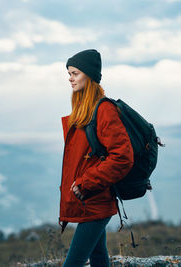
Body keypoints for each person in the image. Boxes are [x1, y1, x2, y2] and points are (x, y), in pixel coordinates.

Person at [59, 49, 134, 267]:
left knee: (73, 263)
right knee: (99, 259)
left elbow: (122, 157)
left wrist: (85, 183)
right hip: (88, 200)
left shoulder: (103, 110)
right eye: (69, 73)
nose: (70, 78)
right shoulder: (85, 109)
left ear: (89, 75)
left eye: (75, 73)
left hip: (96, 199)